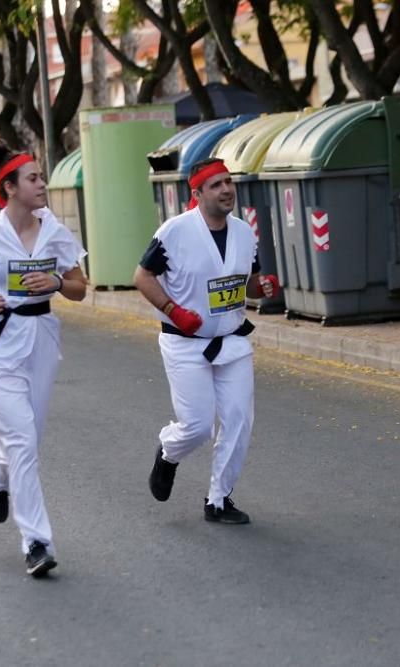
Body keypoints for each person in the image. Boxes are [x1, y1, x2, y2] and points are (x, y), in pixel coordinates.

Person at [0, 137, 87, 578]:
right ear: (9, 188)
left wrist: (55, 284)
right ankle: (36, 541)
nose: (42, 184)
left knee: (28, 436)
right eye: (34, 178)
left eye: (41, 177)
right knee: (23, 440)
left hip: (42, 338)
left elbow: (80, 288)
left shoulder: (54, 231)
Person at [133, 158, 280, 524]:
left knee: (238, 419)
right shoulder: (175, 232)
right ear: (196, 194)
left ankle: (219, 500)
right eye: (215, 185)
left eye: (228, 182)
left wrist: (259, 288)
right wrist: (172, 308)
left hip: (231, 340)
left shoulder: (245, 233)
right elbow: (142, 275)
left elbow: (246, 281)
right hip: (184, 342)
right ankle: (168, 452)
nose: (226, 189)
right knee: (198, 427)